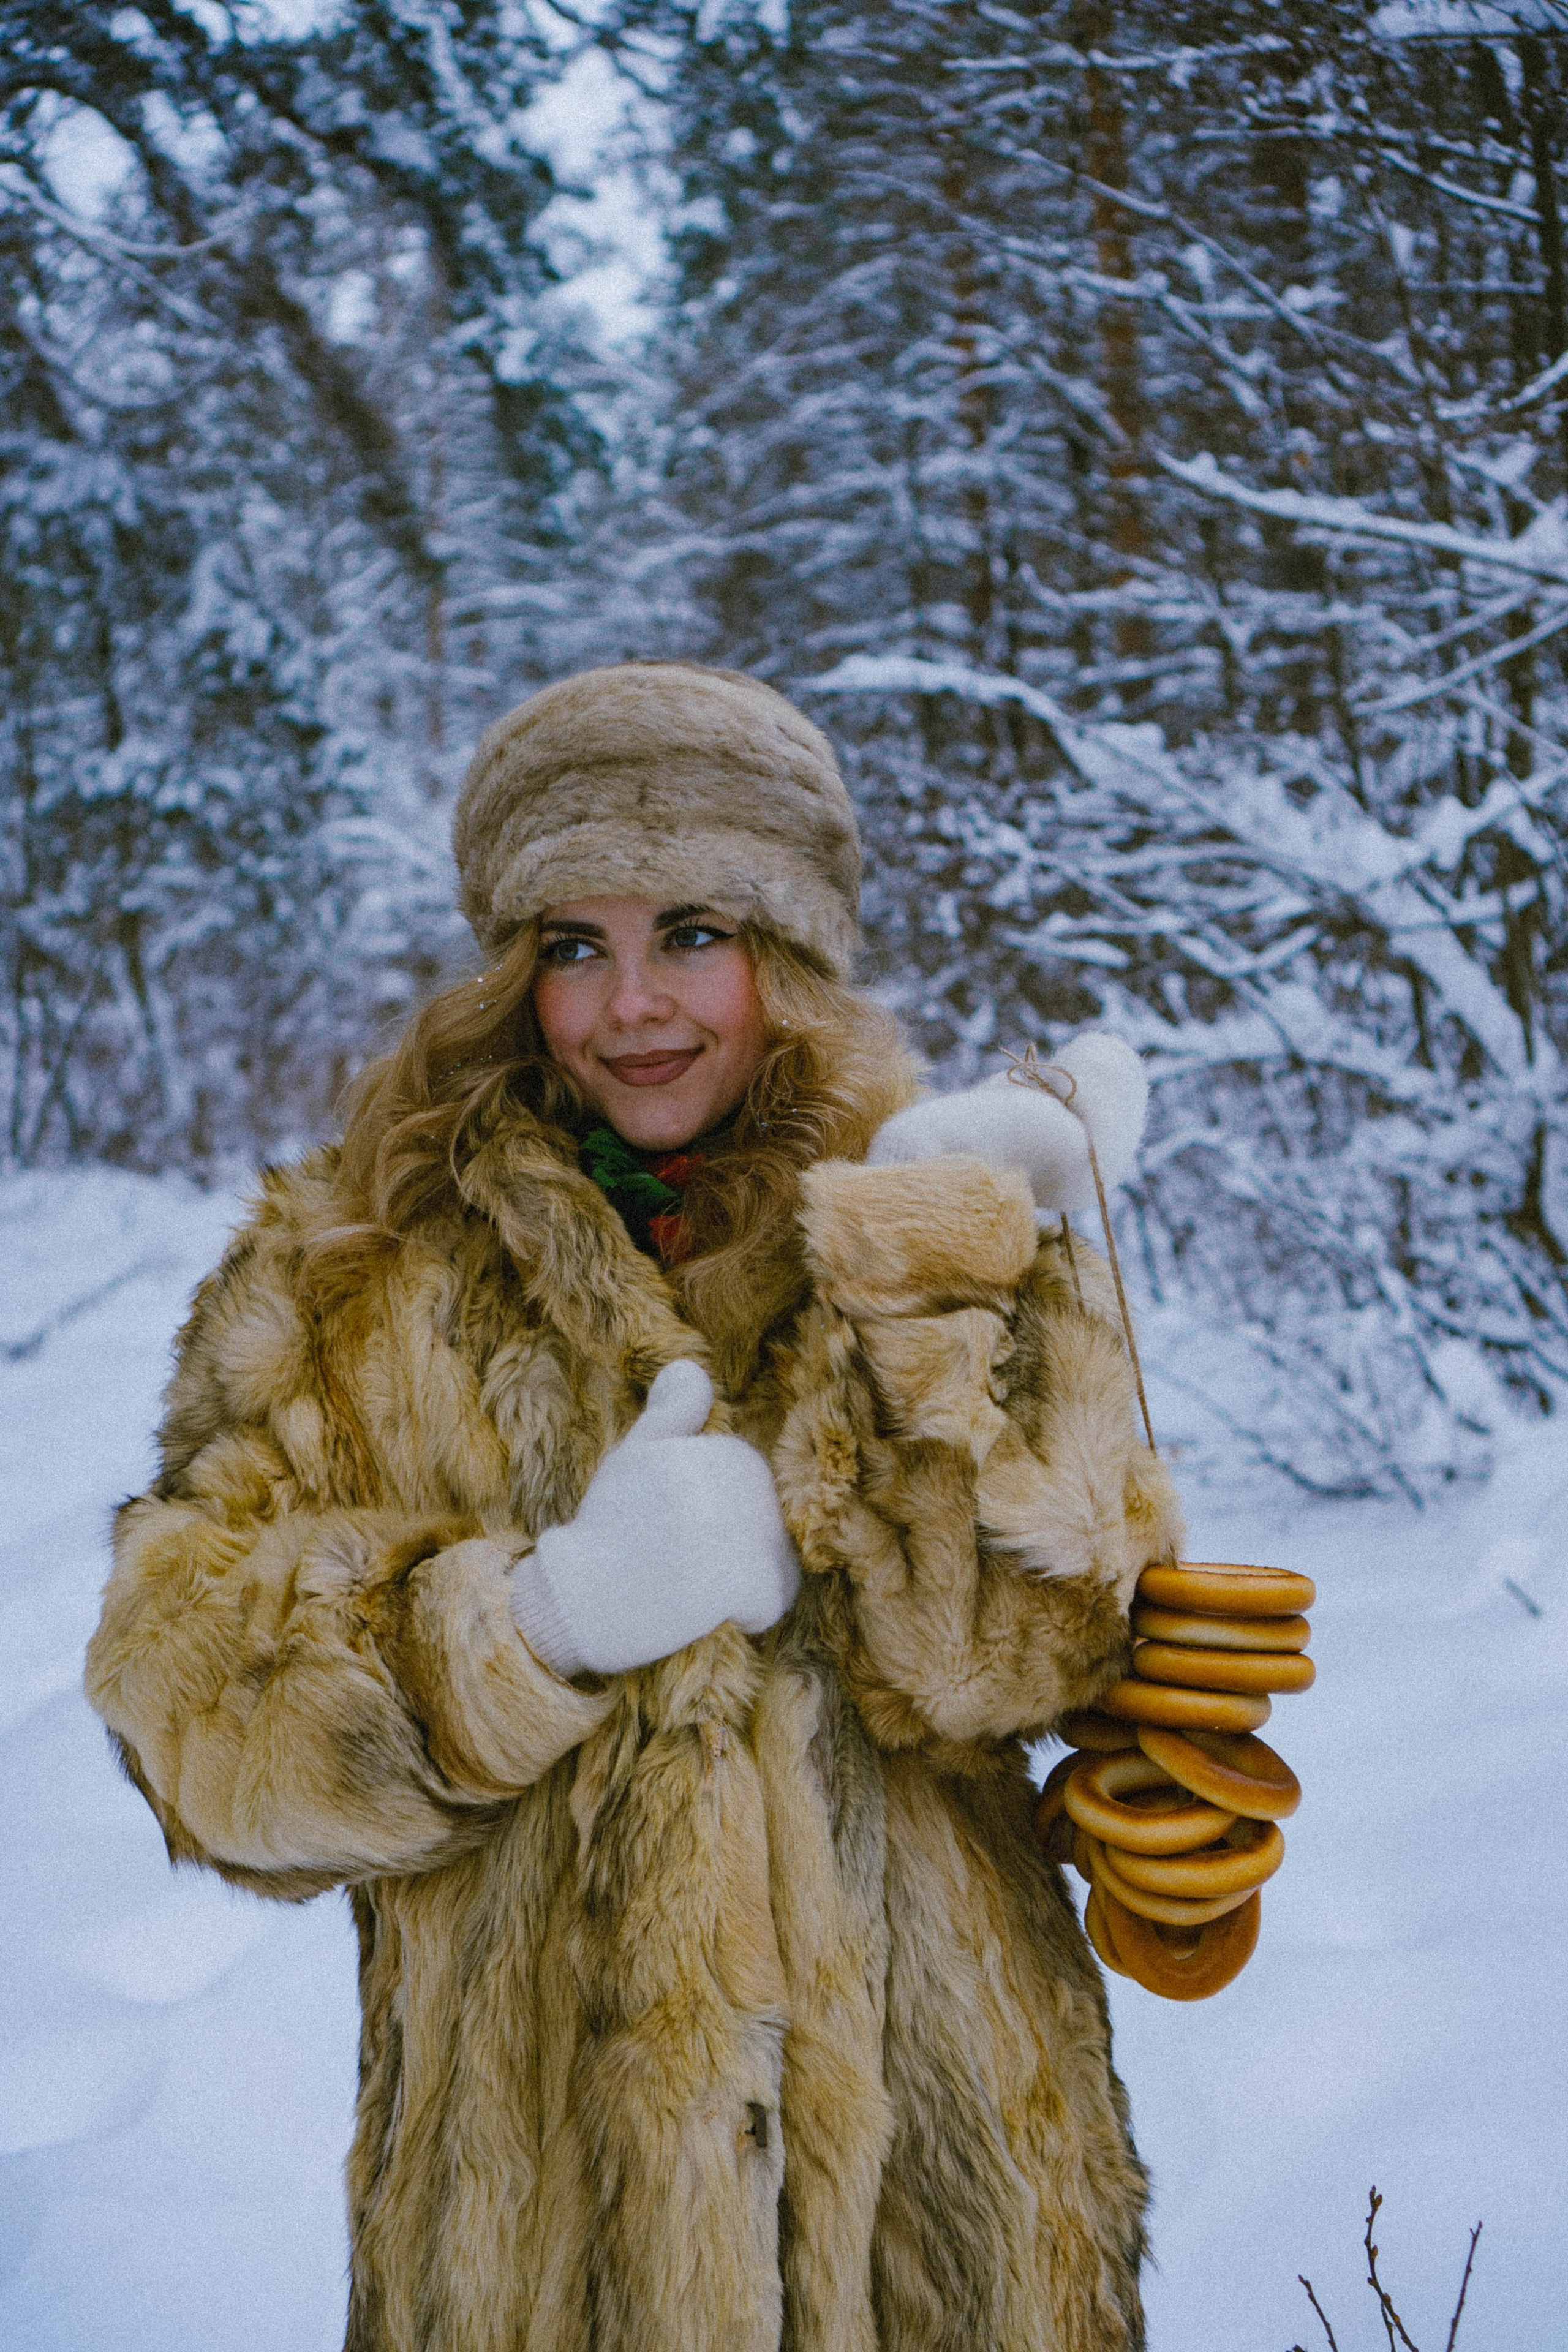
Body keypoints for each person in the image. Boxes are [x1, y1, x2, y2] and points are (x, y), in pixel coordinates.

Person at [86, 663, 1182, 2352]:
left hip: (942, 2238)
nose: (632, 1007)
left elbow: (1027, 1655)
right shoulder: (351, 1269)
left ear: (789, 948)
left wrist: (952, 1281)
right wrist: (531, 1624)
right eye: (572, 947)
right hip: (534, 2257)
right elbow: (184, 1707)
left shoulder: (918, 1220)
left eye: (691, 932)